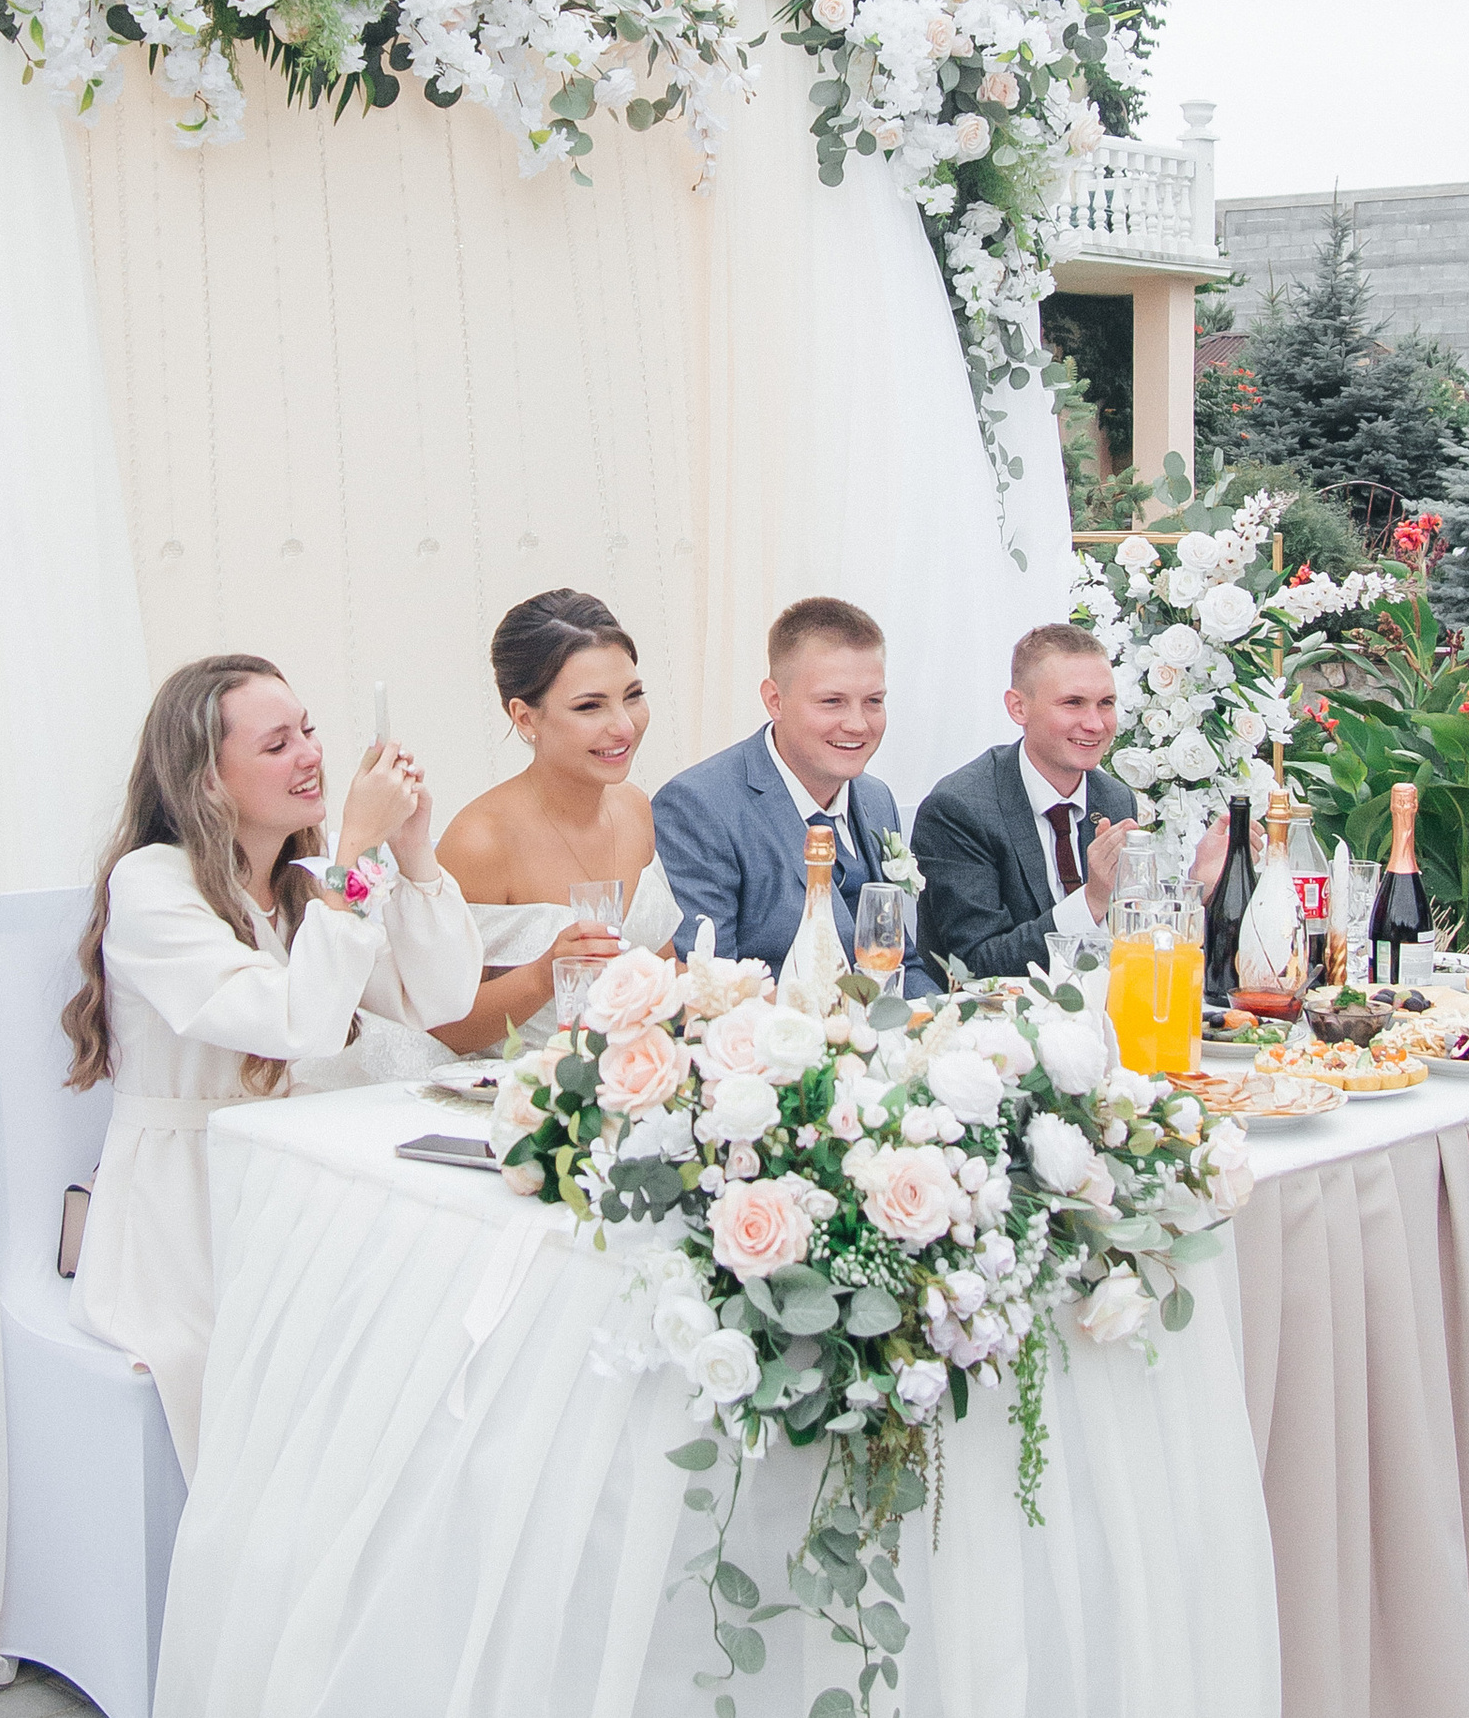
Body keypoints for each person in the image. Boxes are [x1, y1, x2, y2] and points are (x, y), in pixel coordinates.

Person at [62, 653, 480, 1474]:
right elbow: (302, 1023)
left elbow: (440, 996)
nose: (312, 756)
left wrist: (412, 849)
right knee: (300, 1399)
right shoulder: (152, 885)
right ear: (208, 781)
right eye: (277, 743)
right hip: (189, 1204)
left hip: (291, 1178)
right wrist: (355, 856)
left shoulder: (303, 885)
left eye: (311, 732)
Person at [432, 591, 680, 1048]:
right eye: (589, 706)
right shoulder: (480, 842)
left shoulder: (634, 808)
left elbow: (660, 969)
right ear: (525, 718)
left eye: (633, 696)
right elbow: (445, 1028)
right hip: (514, 1096)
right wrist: (541, 978)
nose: (624, 726)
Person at [650, 595, 928, 989]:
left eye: (873, 702)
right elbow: (706, 989)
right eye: (832, 702)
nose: (858, 724)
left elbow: (901, 964)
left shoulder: (876, 799)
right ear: (775, 700)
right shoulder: (698, 808)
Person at [911, 619, 1141, 982]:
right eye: (1073, 703)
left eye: (1106, 703)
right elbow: (976, 965)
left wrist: (1202, 887)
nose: (1096, 724)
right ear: (1018, 708)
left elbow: (1129, 945)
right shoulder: (958, 808)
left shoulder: (1113, 799)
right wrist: (1092, 900)